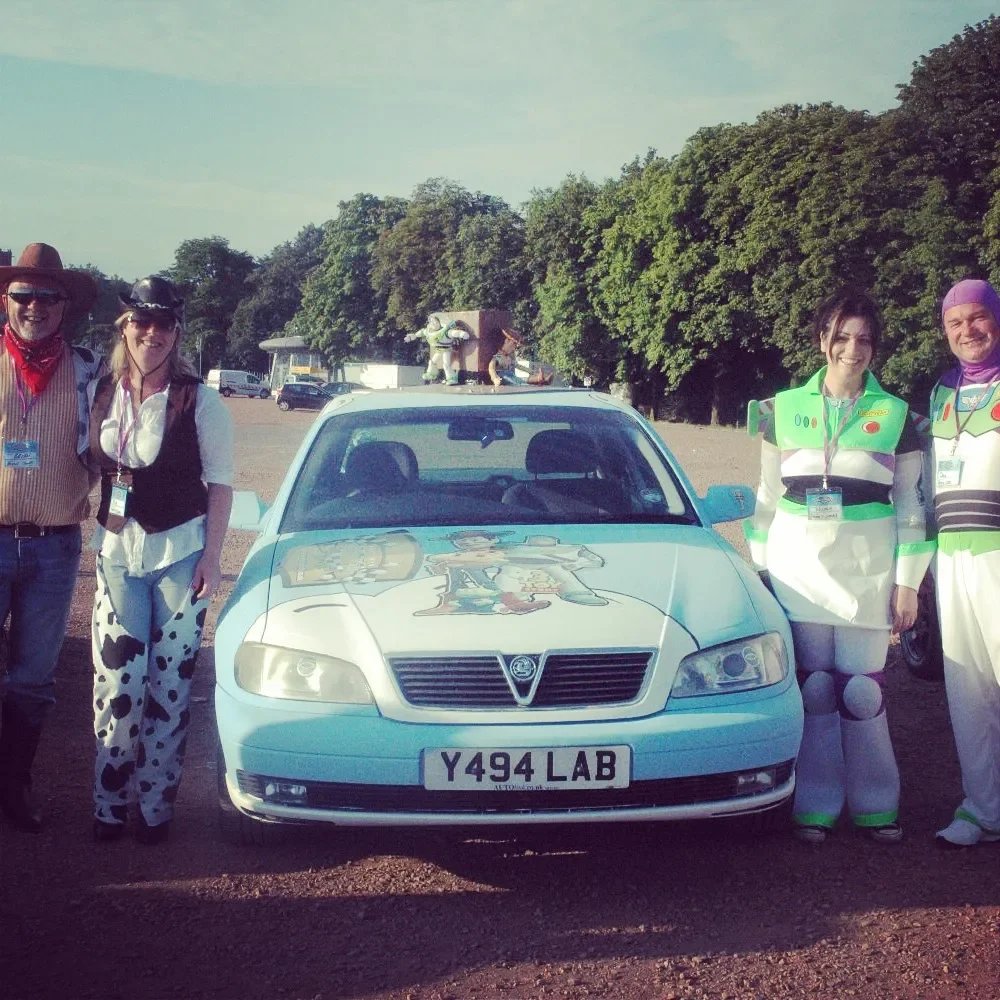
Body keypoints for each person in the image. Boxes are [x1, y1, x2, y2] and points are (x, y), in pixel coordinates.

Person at [746, 287, 932, 845]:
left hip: (868, 568)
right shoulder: (781, 409)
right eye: (842, 336)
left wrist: (908, 584)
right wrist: (761, 571)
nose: (853, 349)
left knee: (862, 691)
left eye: (865, 340)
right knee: (818, 688)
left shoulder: (898, 415)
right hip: (796, 566)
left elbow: (910, 505)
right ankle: (817, 802)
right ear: (822, 339)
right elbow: (766, 496)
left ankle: (878, 801)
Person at [89, 276, 233, 844]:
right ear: (124, 326)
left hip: (181, 552)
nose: (153, 333)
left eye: (164, 324)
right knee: (117, 682)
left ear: (177, 332)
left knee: (170, 686)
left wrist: (212, 558)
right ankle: (108, 802)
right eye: (141, 322)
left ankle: (155, 807)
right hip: (118, 552)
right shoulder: (101, 390)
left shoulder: (201, 400)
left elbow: (220, 485)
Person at [0, 243, 102, 833]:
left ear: (65, 306)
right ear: (5, 300)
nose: (35, 306)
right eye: (24, 294)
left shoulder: (90, 370)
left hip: (54, 545)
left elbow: (116, 444)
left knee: (34, 678)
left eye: (48, 296)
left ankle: (13, 787)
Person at [928, 278, 1000, 848]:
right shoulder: (940, 393)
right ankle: (982, 807)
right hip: (953, 558)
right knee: (967, 690)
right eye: (955, 324)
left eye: (977, 318)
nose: (967, 331)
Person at [488, 328, 554, 387]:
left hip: (511, 375)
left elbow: (518, 366)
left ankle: (540, 379)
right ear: (506, 341)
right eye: (513, 344)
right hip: (503, 377)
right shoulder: (498, 357)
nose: (514, 348)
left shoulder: (508, 358)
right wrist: (495, 378)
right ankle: (533, 382)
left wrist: (531, 371)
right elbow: (491, 367)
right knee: (514, 379)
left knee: (520, 378)